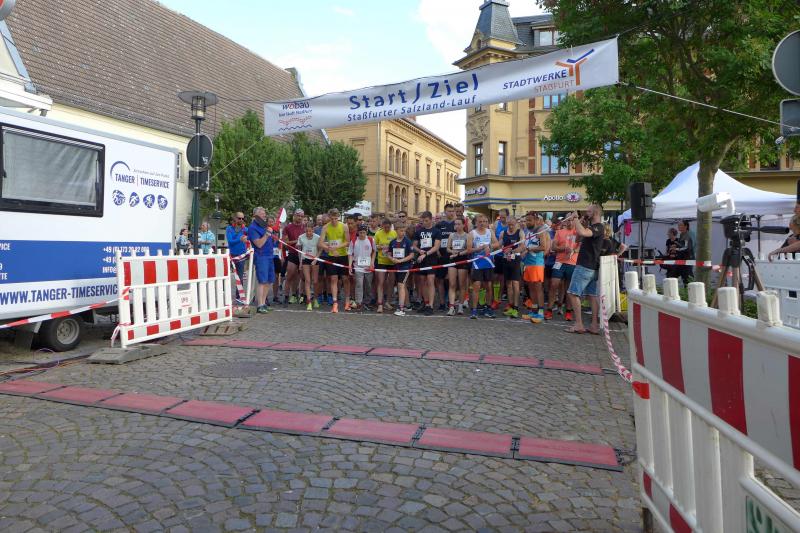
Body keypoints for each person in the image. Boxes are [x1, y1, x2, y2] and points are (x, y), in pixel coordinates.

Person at [565, 205, 604, 334]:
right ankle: (593, 326)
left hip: (586, 266)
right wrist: (581, 223)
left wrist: (575, 218)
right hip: (590, 267)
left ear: (595, 212)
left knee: (572, 293)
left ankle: (579, 324)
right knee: (591, 295)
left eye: (589, 211)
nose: (586, 213)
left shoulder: (598, 227)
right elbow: (578, 238)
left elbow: (583, 233)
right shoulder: (591, 227)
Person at [466, 214, 500, 319]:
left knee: (489, 286)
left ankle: (488, 308)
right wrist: (480, 248)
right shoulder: (472, 233)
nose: (482, 223)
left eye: (485, 221)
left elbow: (497, 244)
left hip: (488, 263)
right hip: (477, 263)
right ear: (476, 222)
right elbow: (469, 250)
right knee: (476, 286)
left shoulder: (490, 232)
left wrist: (489, 246)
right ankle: (474, 310)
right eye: (480, 221)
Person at [547, 216, 579, 321]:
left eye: (572, 220)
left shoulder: (578, 232)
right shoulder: (559, 232)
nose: (570, 222)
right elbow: (553, 247)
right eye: (568, 220)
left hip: (572, 263)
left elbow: (581, 247)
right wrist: (564, 248)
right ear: (565, 221)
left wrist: (574, 250)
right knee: (554, 284)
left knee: (569, 289)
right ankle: (549, 309)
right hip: (559, 262)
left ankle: (568, 311)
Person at [319, 208, 350, 313]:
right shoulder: (325, 227)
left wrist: (337, 247)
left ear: (338, 217)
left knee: (345, 279)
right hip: (332, 256)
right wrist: (330, 249)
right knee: (333, 279)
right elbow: (320, 243)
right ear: (329, 218)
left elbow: (347, 242)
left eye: (336, 218)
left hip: (343, 255)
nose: (334, 221)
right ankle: (335, 302)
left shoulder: (344, 226)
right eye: (332, 219)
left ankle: (347, 301)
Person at [522, 212, 550, 324]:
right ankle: (534, 310)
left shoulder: (540, 231)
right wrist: (513, 251)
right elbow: (524, 246)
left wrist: (529, 249)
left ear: (536, 220)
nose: (527, 222)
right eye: (526, 220)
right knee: (531, 288)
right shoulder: (528, 232)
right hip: (528, 263)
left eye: (529, 220)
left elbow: (543, 247)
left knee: (538, 288)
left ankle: (541, 312)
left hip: (537, 263)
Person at [412, 211, 442, 315]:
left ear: (431, 219)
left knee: (430, 280)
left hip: (431, 258)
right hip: (421, 258)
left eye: (426, 220)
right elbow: (414, 245)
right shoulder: (418, 231)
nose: (424, 222)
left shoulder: (436, 231)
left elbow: (436, 246)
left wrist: (426, 254)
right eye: (423, 221)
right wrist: (419, 250)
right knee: (422, 281)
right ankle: (426, 303)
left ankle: (431, 306)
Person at [247, 207, 276, 313]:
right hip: (261, 256)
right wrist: (267, 234)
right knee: (262, 281)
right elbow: (259, 244)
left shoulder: (264, 225)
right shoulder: (252, 228)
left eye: (265, 213)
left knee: (269, 280)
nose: (265, 216)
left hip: (269, 255)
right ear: (256, 215)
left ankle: (263, 303)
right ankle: (259, 305)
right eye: (262, 214)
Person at [499, 215, 524, 318]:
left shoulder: (520, 232)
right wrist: (502, 249)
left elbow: (522, 246)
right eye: (509, 225)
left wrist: (512, 250)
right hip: (506, 259)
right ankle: (510, 305)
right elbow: (500, 245)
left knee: (515, 284)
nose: (510, 227)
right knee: (508, 284)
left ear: (516, 223)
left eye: (512, 225)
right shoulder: (503, 233)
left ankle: (516, 308)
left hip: (515, 259)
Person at [446, 217, 471, 315]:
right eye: (455, 224)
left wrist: (459, 254)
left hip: (462, 260)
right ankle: (451, 307)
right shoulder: (452, 235)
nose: (456, 226)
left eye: (459, 224)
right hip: (452, 259)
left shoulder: (467, 235)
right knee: (452, 284)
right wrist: (453, 251)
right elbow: (448, 248)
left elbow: (468, 249)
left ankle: (460, 305)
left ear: (463, 225)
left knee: (462, 285)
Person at [348, 224, 376, 312]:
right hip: (358, 267)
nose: (362, 234)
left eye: (364, 232)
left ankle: (367, 302)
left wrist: (372, 263)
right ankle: (359, 303)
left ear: (366, 232)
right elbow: (350, 254)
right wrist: (350, 265)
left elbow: (374, 251)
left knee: (368, 285)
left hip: (368, 267)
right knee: (359, 284)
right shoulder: (354, 241)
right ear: (358, 232)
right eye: (360, 233)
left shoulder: (371, 240)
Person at [389, 223, 415, 316]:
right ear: (396, 231)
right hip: (396, 267)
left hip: (405, 267)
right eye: (401, 231)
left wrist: (401, 260)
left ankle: (401, 308)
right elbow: (389, 254)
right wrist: (392, 259)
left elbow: (412, 255)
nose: (403, 233)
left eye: (404, 231)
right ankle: (407, 305)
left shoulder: (407, 241)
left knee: (401, 285)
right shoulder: (392, 242)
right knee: (401, 286)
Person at [434, 204, 456, 312]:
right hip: (441, 256)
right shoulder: (439, 225)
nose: (451, 213)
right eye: (449, 211)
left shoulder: (457, 224)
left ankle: (451, 302)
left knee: (452, 281)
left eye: (452, 211)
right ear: (445, 212)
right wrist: (437, 251)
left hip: (453, 256)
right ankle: (442, 303)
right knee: (440, 280)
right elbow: (435, 239)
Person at [282, 208, 306, 305]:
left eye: (301, 216)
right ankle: (286, 296)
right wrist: (297, 241)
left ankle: (301, 295)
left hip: (303, 254)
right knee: (290, 275)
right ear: (294, 216)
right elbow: (285, 243)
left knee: (302, 277)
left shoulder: (305, 227)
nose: (300, 218)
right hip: (292, 253)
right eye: (298, 216)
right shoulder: (288, 227)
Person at [373, 218, 397, 313]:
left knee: (391, 282)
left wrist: (390, 248)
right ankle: (380, 304)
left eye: (388, 227)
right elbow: (374, 246)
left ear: (391, 226)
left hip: (392, 262)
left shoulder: (394, 233)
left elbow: (397, 244)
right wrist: (380, 246)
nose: (387, 229)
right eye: (385, 227)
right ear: (382, 226)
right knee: (381, 282)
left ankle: (388, 302)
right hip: (381, 261)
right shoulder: (378, 233)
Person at [298, 222, 320, 311]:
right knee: (307, 280)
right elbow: (299, 251)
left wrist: (316, 259)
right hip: (305, 259)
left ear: (313, 230)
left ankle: (315, 299)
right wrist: (300, 262)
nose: (308, 233)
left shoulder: (317, 237)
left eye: (310, 231)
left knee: (315, 281)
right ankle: (309, 301)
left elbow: (320, 249)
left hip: (315, 259)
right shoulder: (301, 237)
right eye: (307, 231)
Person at [491, 208, 509, 309]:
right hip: (497, 253)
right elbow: (493, 236)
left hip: (507, 254)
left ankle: (499, 297)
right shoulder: (496, 224)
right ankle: (494, 296)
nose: (502, 219)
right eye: (500, 217)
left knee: (502, 277)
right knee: (495, 276)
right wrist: (496, 247)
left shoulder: (510, 224)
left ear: (507, 216)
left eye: (504, 217)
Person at [226, 213, 249, 282]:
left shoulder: (245, 229)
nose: (241, 220)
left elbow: (252, 237)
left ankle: (239, 290)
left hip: (242, 255)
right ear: (235, 218)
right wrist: (240, 239)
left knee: (240, 277)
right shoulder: (229, 228)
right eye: (239, 218)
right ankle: (225, 288)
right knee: (227, 276)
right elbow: (230, 241)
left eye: (243, 218)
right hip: (232, 255)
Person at [673, 220, 695, 286]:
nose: (678, 226)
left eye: (680, 225)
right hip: (683, 258)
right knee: (683, 277)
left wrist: (676, 249)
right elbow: (682, 245)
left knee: (688, 277)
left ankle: (691, 290)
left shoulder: (687, 235)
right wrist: (676, 245)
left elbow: (686, 247)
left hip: (688, 259)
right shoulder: (682, 234)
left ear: (685, 226)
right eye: (678, 225)